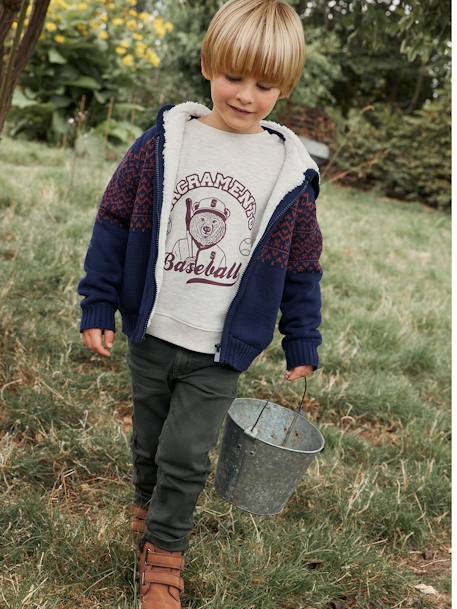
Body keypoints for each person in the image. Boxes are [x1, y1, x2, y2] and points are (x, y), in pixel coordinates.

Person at [77, 1, 324, 607]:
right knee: (150, 440)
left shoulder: (288, 171)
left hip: (220, 348)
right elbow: (113, 221)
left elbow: (302, 265)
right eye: (234, 76)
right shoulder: (166, 144)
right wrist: (98, 301)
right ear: (209, 65)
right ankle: (145, 504)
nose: (246, 94)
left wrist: (302, 336)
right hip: (154, 329)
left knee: (186, 453)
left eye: (265, 84)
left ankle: (165, 555)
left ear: (284, 87)